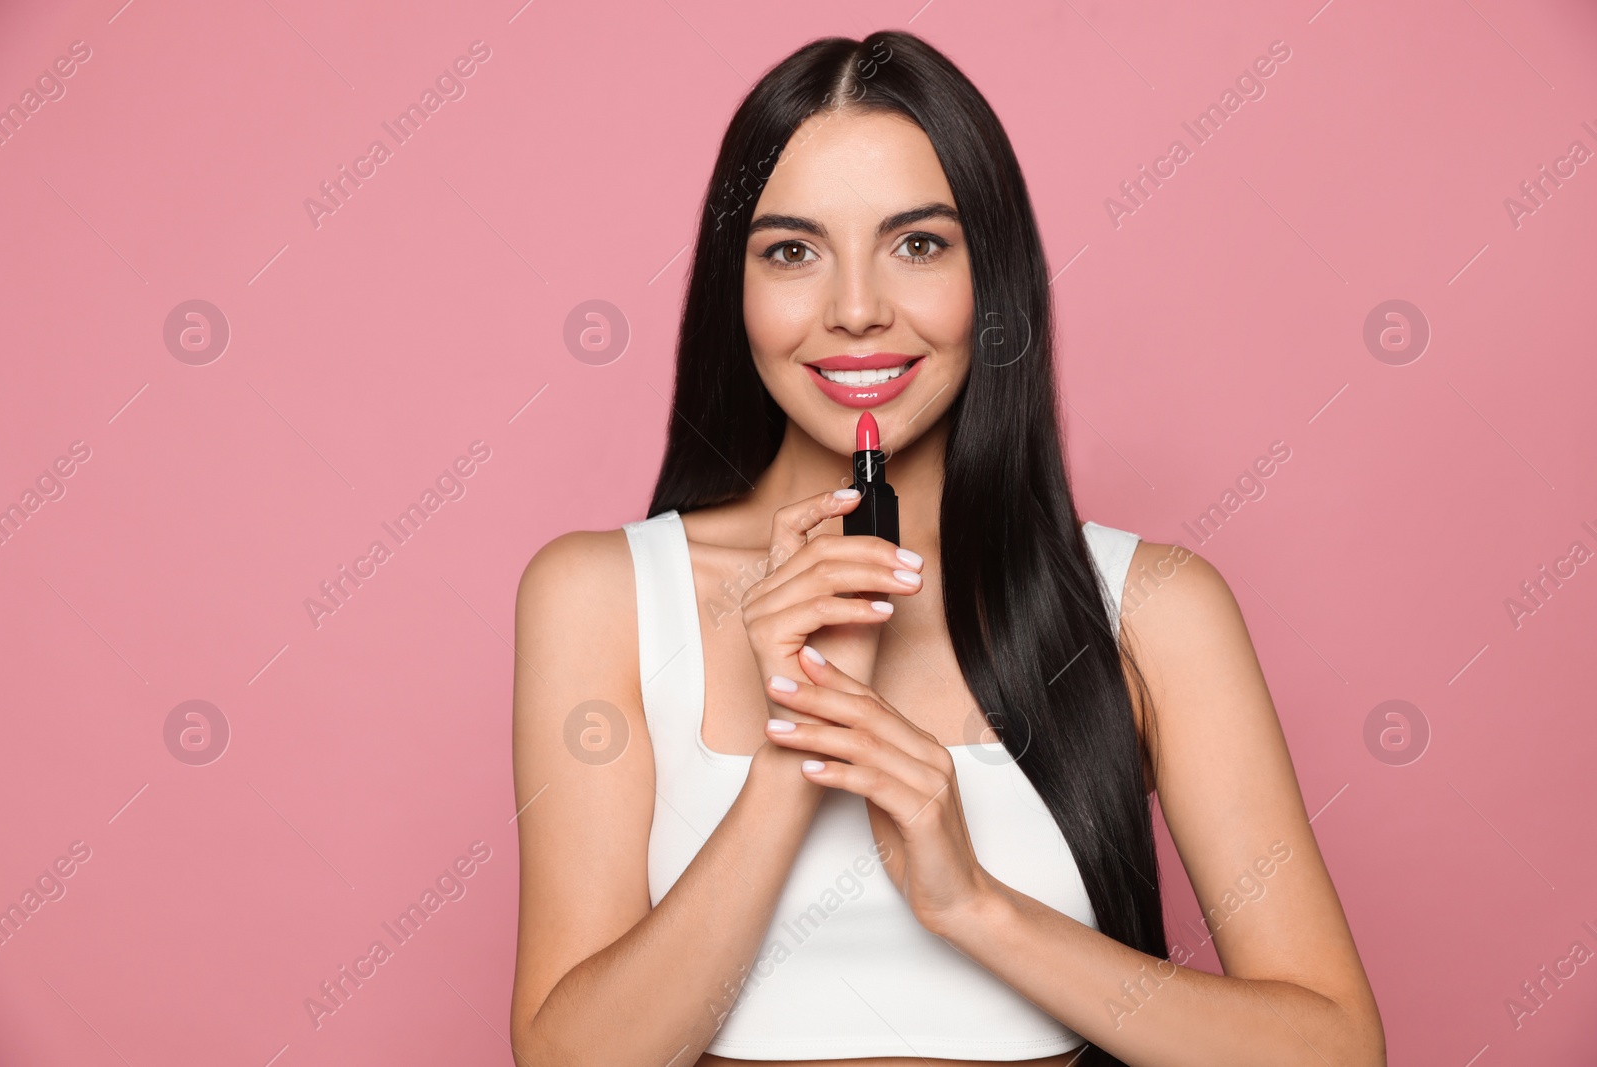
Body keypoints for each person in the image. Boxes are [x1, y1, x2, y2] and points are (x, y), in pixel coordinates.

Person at [508, 30, 1383, 1067]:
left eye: (917, 243)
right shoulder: (602, 595)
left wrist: (973, 904)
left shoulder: (1151, 607)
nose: (855, 310)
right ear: (730, 289)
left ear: (992, 278)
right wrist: (800, 746)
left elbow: (1332, 1047)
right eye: (791, 250)